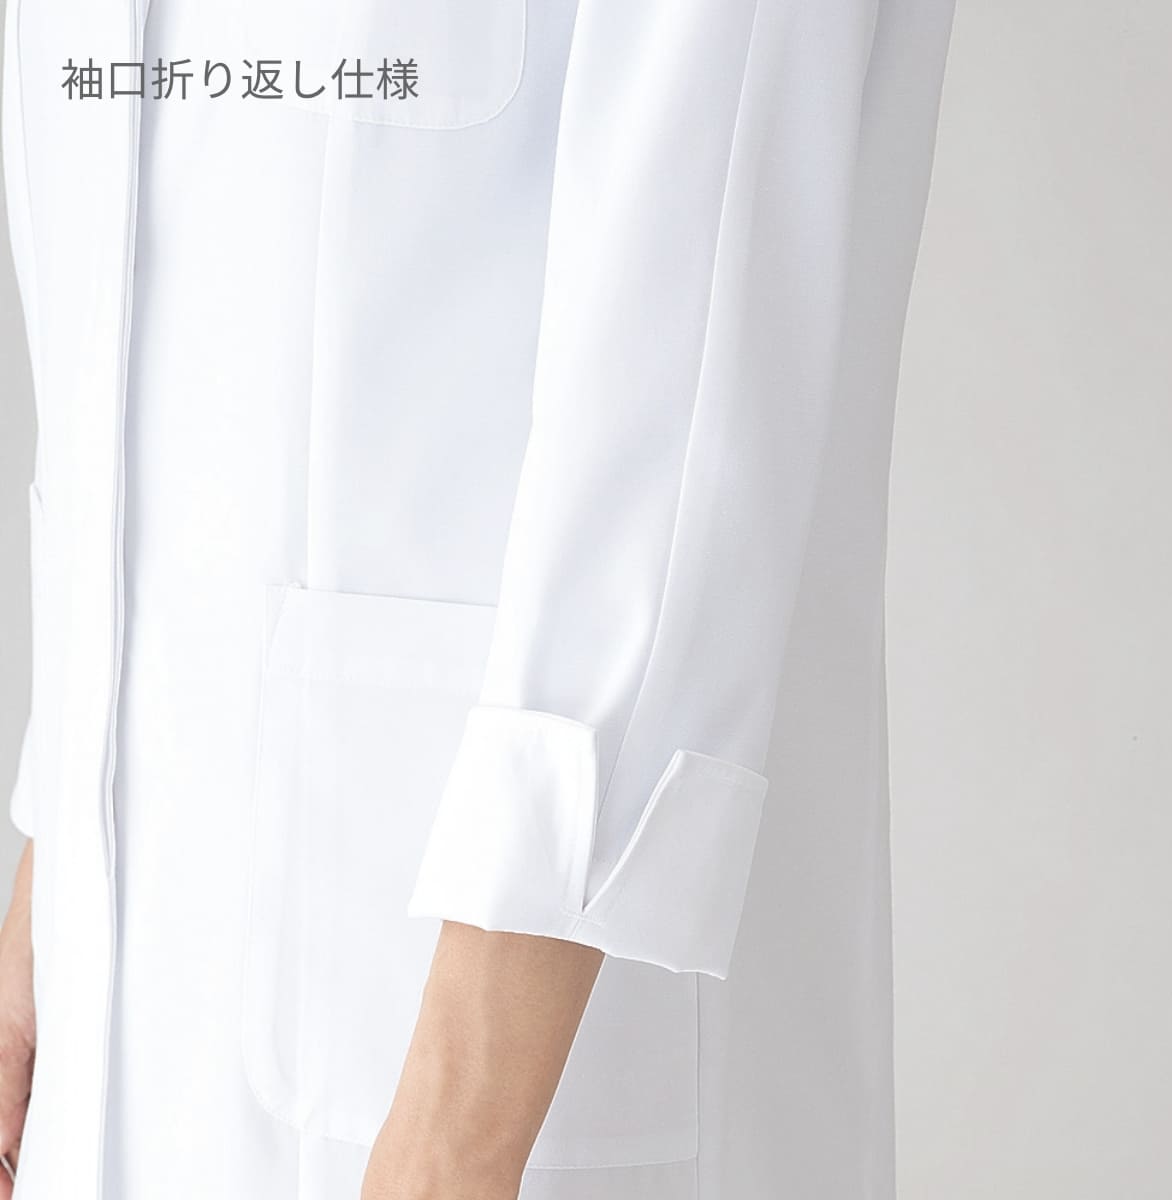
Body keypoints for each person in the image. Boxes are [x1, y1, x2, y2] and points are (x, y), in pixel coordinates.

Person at [0, 0, 956, 1196]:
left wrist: (460, 1134)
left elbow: (694, 337)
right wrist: (56, 859)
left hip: (497, 1063)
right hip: (114, 1018)